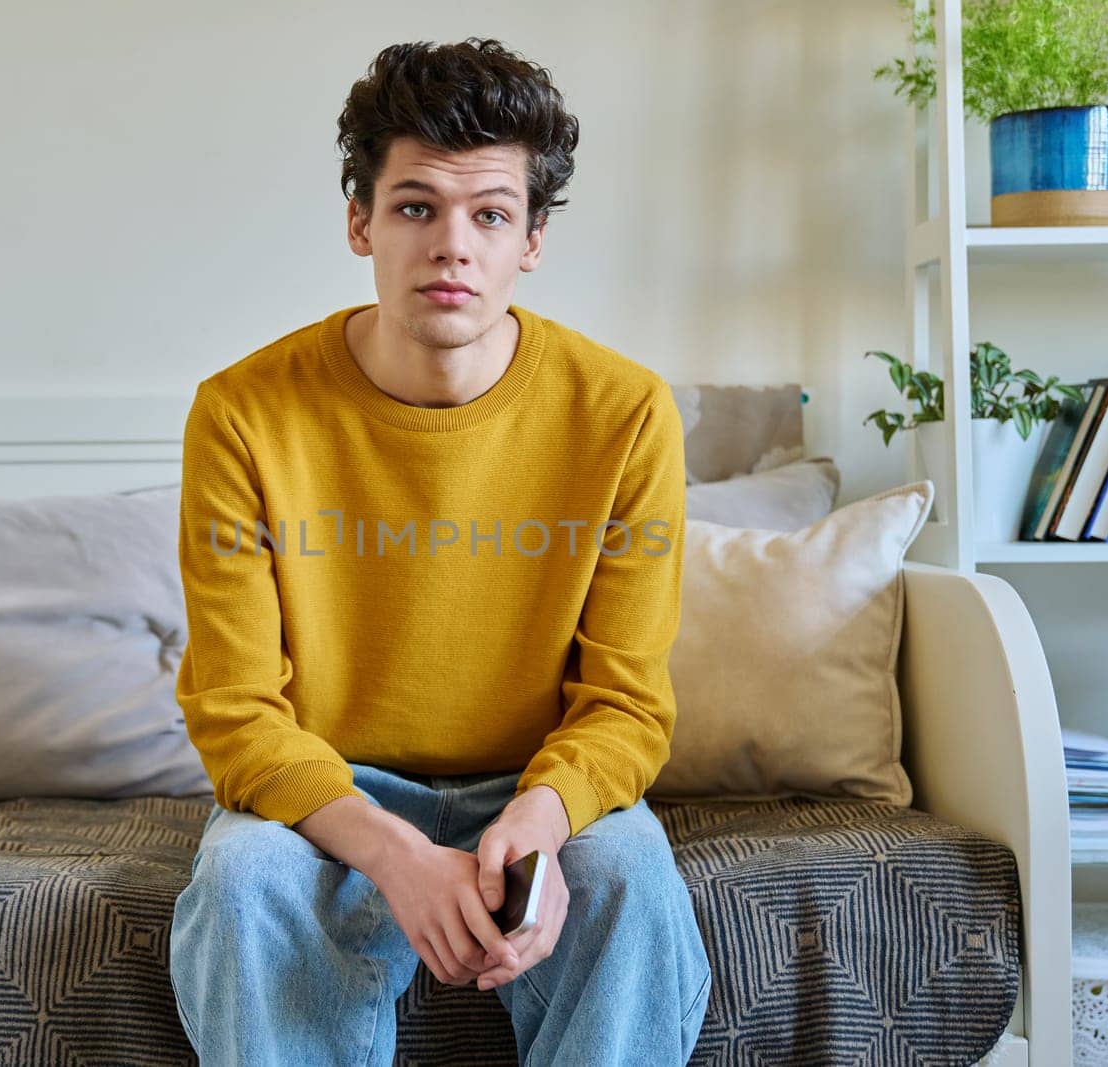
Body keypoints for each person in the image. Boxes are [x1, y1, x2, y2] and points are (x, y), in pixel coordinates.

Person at [168, 36, 710, 1066]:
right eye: (416, 206)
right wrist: (396, 855)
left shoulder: (626, 413)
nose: (452, 244)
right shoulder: (241, 413)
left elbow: (627, 702)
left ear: (531, 240)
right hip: (330, 786)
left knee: (632, 875)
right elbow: (236, 713)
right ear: (359, 221)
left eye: (490, 213)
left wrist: (543, 816)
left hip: (539, 781)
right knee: (240, 879)